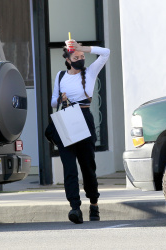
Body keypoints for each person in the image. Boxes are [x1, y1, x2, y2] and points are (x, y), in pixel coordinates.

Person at [51, 40, 110, 224]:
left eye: (82, 57)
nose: (80, 59)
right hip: (66, 119)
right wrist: (60, 99)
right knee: (69, 167)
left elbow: (106, 52)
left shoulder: (90, 72)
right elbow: (53, 102)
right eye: (76, 57)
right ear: (68, 60)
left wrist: (81, 47)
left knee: (87, 165)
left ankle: (93, 204)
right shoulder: (60, 76)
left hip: (84, 118)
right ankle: (75, 208)